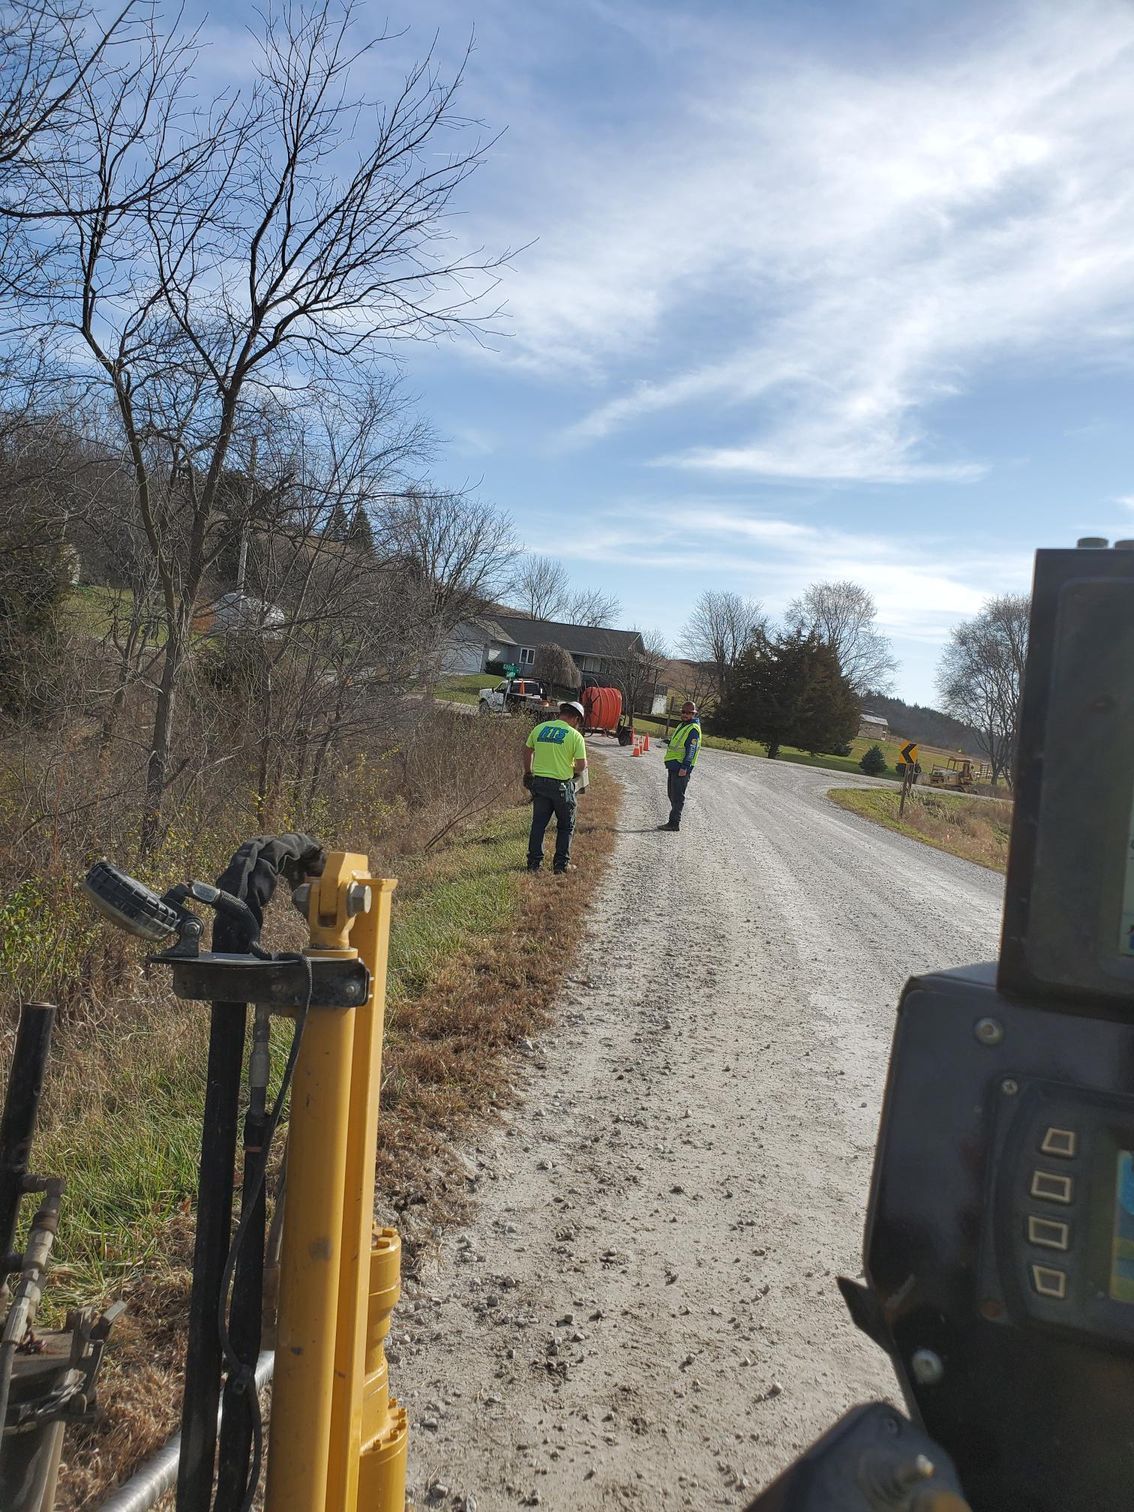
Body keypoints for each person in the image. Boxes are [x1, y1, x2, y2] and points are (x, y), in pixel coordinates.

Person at [524, 700, 588, 874]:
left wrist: (528, 772)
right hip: (561, 786)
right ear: (575, 718)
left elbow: (528, 750)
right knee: (566, 826)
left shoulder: (540, 728)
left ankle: (533, 864)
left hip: (539, 783)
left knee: (538, 824)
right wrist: (569, 767)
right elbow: (581, 766)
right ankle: (561, 865)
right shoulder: (575, 736)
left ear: (561, 714)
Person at [658, 701, 701, 832]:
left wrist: (685, 767)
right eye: (683, 712)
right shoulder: (683, 725)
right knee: (672, 795)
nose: (685, 714)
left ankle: (674, 823)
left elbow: (691, 749)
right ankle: (674, 820)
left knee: (677, 797)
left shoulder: (693, 729)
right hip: (673, 765)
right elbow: (678, 743)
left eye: (689, 713)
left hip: (681, 768)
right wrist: (667, 742)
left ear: (694, 714)